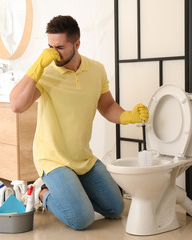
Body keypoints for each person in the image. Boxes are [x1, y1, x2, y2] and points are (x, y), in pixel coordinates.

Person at [10, 15, 149, 230]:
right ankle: (42, 192)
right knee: (81, 219)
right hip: (53, 158)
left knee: (115, 208)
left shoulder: (96, 70)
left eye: (60, 47)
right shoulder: (46, 72)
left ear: (77, 44)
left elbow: (108, 106)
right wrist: (38, 64)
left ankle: (71, 192)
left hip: (83, 157)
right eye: (49, 47)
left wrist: (128, 116)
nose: (53, 53)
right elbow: (16, 105)